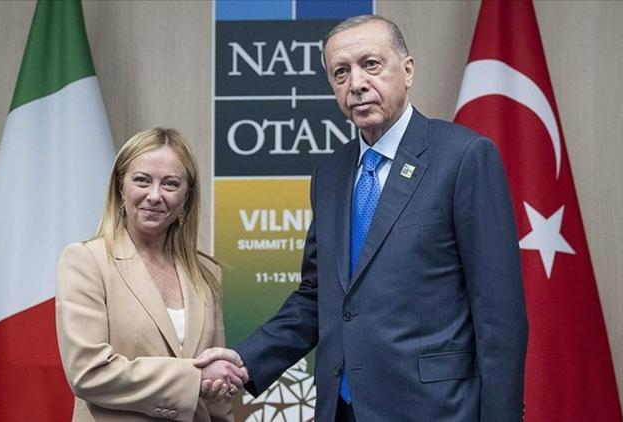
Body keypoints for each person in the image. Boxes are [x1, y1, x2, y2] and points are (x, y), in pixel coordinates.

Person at [196, 15, 528, 421]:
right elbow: (318, 296)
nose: (356, 83)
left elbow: (499, 313)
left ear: (407, 70)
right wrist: (247, 360)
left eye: (371, 64)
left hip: (436, 409)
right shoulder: (330, 174)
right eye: (341, 72)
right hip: (341, 409)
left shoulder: (464, 157)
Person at [56, 128, 247, 421]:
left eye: (170, 184)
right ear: (120, 187)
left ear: (187, 196)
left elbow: (217, 399)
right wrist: (193, 378)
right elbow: (88, 373)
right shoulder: (86, 261)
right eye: (142, 180)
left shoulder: (206, 272)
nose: (155, 195)